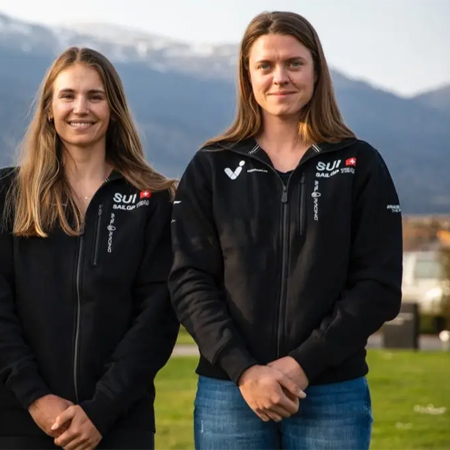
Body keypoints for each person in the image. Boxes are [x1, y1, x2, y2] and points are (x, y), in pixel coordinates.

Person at [168, 11, 402, 450]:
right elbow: (188, 280)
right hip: (230, 391)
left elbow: (379, 285)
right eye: (265, 65)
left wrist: (303, 365)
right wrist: (243, 369)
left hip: (331, 390)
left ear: (316, 71)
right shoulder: (211, 166)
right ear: (247, 76)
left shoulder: (359, 163)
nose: (281, 77)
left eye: (294, 63)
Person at [0, 46, 179, 450]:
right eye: (67, 95)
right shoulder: (9, 193)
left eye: (94, 96)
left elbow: (157, 316)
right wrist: (35, 397)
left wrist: (103, 408)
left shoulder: (151, 199)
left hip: (122, 421)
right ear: (49, 109)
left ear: (113, 109)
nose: (80, 108)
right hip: (28, 421)